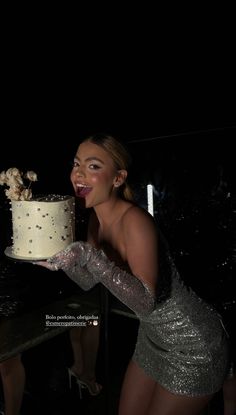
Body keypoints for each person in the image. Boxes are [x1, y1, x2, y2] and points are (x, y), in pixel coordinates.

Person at [36, 133, 229, 415]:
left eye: (93, 166)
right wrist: (63, 259)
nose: (78, 174)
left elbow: (145, 302)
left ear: (118, 178)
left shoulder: (136, 221)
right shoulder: (94, 221)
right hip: (151, 337)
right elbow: (90, 281)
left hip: (192, 345)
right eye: (76, 164)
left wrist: (90, 256)